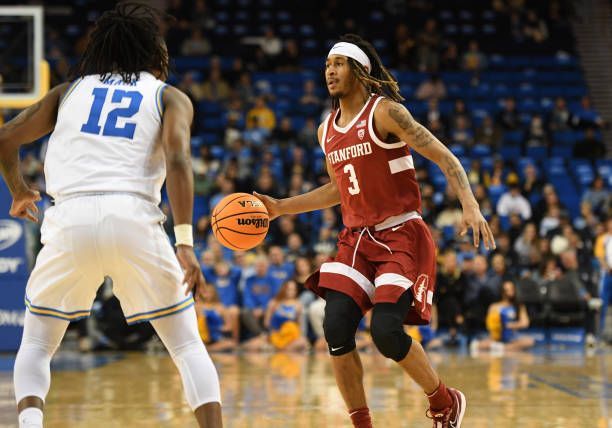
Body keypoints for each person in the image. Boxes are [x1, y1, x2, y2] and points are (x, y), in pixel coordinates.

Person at [255, 34, 495, 428]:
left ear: (360, 70)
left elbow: (443, 155)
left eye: (338, 63)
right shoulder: (325, 130)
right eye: (327, 65)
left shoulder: (385, 113)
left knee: (385, 331)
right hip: (356, 240)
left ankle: (444, 400)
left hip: (401, 233)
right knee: (335, 327)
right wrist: (281, 207)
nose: (329, 71)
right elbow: (337, 189)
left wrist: (469, 203)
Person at [0, 4, 222, 428]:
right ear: (155, 55)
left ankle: (29, 425)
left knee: (36, 342)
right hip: (134, 215)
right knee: (186, 346)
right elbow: (178, 159)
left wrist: (18, 191)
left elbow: (5, 140)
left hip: (69, 218)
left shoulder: (67, 92)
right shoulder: (168, 95)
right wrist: (186, 244)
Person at [471, 280, 535, 353]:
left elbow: (525, 323)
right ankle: (500, 347)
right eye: (507, 290)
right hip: (496, 335)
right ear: (502, 292)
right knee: (479, 344)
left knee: (529, 341)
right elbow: (489, 324)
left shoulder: (519, 306)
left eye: (512, 289)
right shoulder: (494, 306)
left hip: (512, 336)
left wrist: (510, 325)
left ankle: (502, 348)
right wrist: (498, 327)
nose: (510, 292)